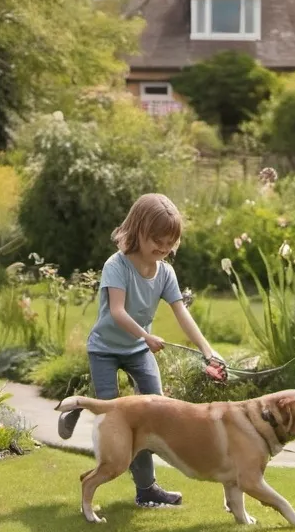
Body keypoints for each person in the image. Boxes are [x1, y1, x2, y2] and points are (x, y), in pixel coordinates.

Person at [57, 193, 221, 508]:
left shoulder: (165, 273)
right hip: (105, 349)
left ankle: (146, 490)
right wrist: (146, 335)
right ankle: (78, 405)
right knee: (111, 413)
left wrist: (207, 350)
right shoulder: (116, 265)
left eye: (169, 244)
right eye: (156, 242)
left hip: (136, 350)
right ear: (138, 231)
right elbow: (117, 312)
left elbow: (181, 313)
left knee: (152, 414)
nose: (162, 250)